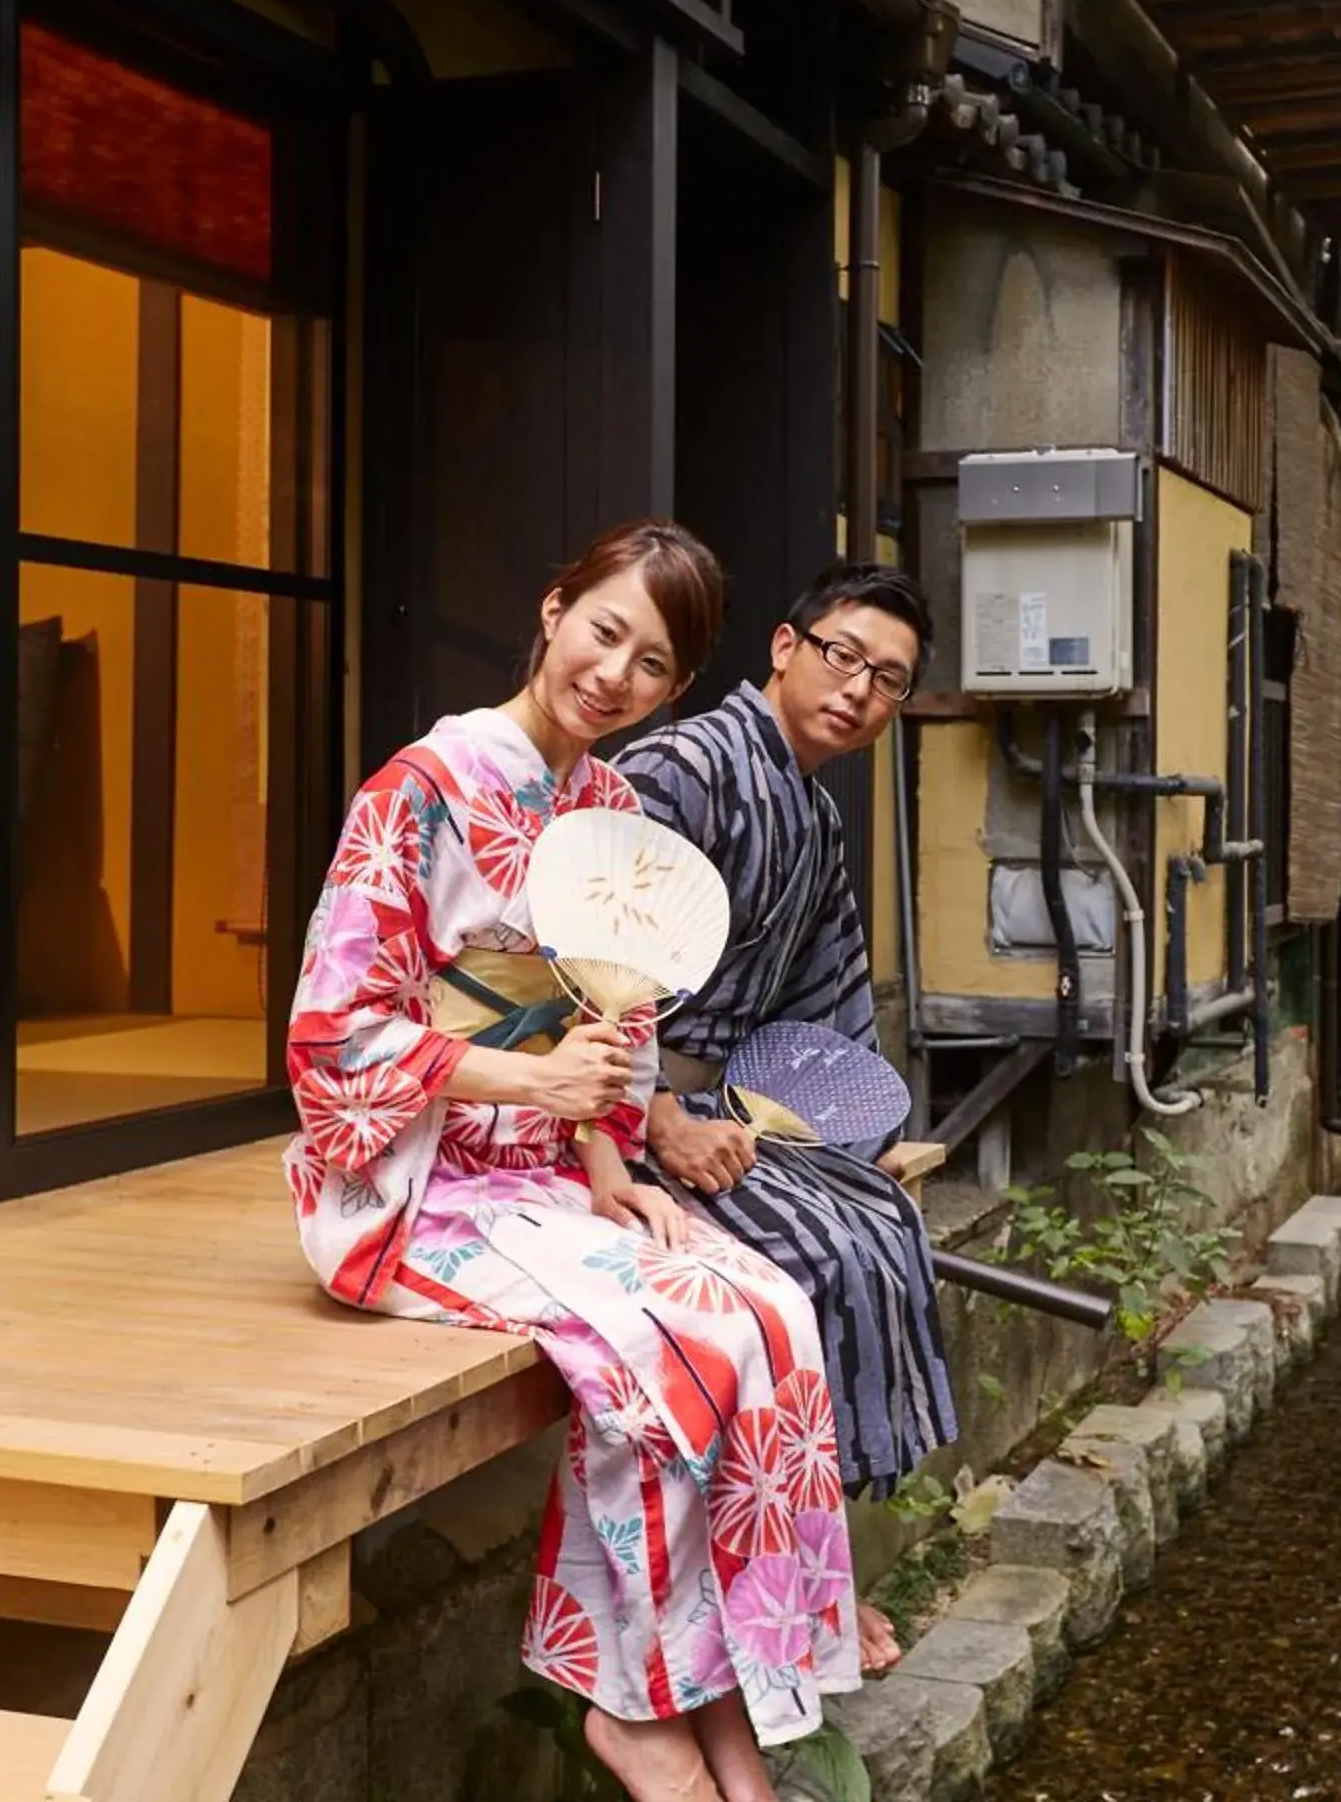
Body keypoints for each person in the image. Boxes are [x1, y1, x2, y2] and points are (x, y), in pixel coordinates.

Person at [284, 521, 856, 1802]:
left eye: (653, 665)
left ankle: (723, 1698)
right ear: (554, 610)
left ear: (676, 685)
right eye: (604, 632)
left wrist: (606, 1158)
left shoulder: (611, 809)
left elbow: (619, 1020)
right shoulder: (420, 789)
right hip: (413, 1183)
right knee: (668, 1344)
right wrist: (529, 1080)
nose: (614, 675)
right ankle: (630, 1705)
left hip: (541, 1182)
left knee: (772, 1310)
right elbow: (332, 1034)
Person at [611, 562, 958, 1674]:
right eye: (843, 655)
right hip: (612, 1108)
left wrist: (861, 1140)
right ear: (784, 645)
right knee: (811, 1263)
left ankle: (820, 1563)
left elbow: (824, 1002)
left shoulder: (812, 814)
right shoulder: (678, 770)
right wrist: (652, 1114)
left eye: (888, 679)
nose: (858, 689)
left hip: (721, 1108)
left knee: (883, 1226)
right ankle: (793, 1583)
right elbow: (574, 963)